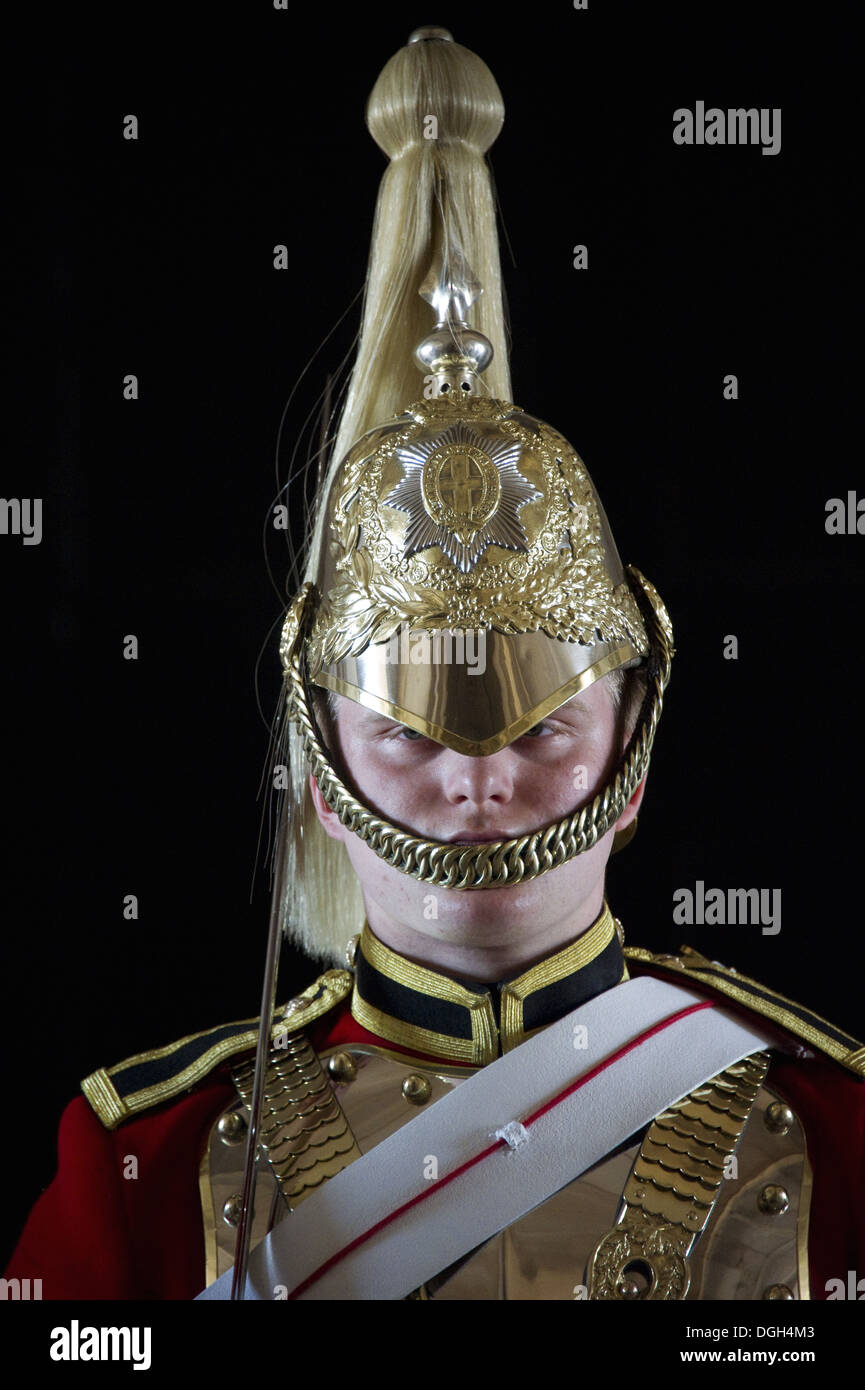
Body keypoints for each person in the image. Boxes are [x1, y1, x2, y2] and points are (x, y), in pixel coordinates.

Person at [6, 27, 863, 1304]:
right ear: (317, 770)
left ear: (632, 758)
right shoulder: (146, 1157)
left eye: (541, 727)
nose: (476, 781)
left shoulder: (840, 1131)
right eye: (408, 733)